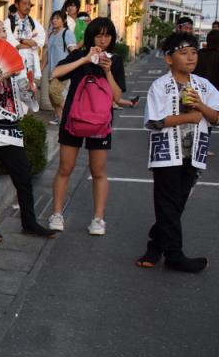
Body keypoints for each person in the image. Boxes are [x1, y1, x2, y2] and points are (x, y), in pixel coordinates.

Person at [137, 32, 219, 273]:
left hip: (194, 153)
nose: (191, 57)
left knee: (175, 205)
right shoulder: (159, 85)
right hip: (166, 155)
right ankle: (174, 256)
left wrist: (201, 107)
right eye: (183, 53)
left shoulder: (204, 85)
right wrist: (188, 117)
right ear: (169, 59)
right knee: (168, 204)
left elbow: (216, 117)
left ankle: (155, 247)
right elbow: (153, 121)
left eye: (193, 52)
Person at [0, 17, 57, 242]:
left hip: (10, 126)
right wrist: (2, 74)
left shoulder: (12, 59)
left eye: (3, 31)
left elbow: (21, 96)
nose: (3, 35)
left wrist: (27, 87)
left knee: (23, 175)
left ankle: (29, 221)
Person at [48, 17, 135, 236]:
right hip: (73, 118)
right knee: (65, 168)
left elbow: (117, 96)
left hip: (100, 121)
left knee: (98, 171)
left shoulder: (114, 60)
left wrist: (107, 71)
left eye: (107, 35)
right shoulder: (80, 55)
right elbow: (56, 73)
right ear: (91, 36)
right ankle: (56, 214)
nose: (103, 40)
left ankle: (98, 219)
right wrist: (85, 59)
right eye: (99, 35)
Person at [5, 0, 46, 91]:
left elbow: (40, 40)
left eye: (29, 4)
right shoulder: (8, 22)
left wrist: (22, 40)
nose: (27, 6)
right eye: (24, 3)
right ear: (16, 4)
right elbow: (10, 42)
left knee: (28, 95)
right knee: (15, 94)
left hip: (30, 64)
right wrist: (27, 42)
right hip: (14, 64)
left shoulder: (34, 23)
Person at [45, 10, 78, 124]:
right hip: (52, 71)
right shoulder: (51, 35)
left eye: (57, 18)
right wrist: (39, 70)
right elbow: (47, 55)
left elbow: (74, 52)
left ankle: (71, 114)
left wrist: (71, 67)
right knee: (51, 96)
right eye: (53, 18)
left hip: (63, 71)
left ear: (63, 20)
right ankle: (61, 118)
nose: (54, 20)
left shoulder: (67, 33)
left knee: (54, 92)